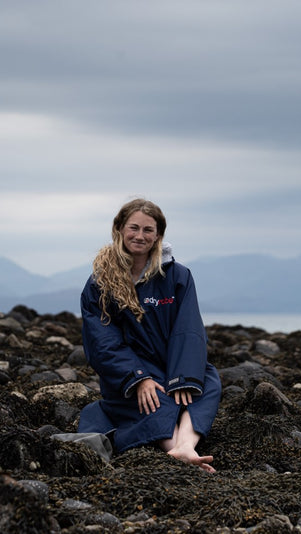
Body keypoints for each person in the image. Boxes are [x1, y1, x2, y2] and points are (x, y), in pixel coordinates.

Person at [77, 198, 221, 473]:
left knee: (206, 381)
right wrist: (138, 378)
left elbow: (188, 330)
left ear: (158, 236)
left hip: (170, 365)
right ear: (119, 229)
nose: (140, 236)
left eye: (148, 230)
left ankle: (186, 446)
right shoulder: (99, 283)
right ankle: (175, 449)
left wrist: (183, 377)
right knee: (156, 396)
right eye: (133, 228)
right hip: (131, 374)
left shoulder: (177, 276)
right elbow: (102, 342)